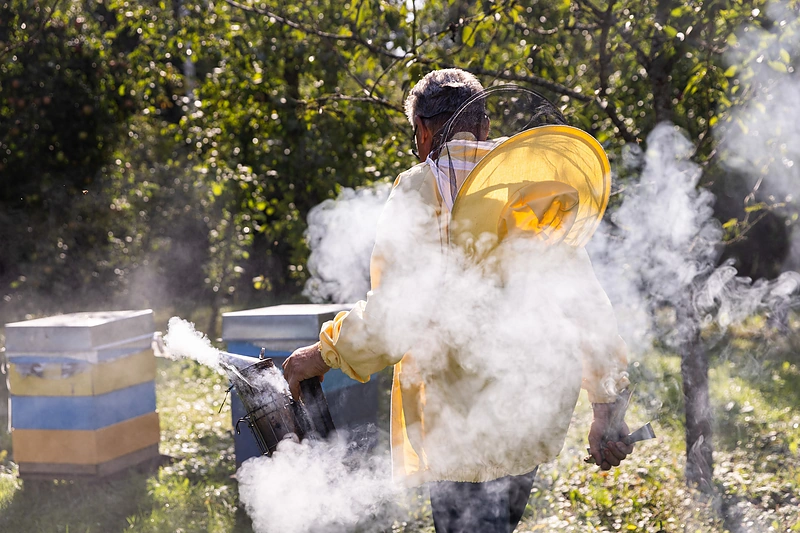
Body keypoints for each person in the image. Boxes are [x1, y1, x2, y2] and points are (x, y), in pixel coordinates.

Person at [283, 68, 633, 533]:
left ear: (423, 132)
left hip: (458, 431)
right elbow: (586, 304)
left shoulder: (418, 190)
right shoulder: (532, 187)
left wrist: (322, 355)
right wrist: (606, 406)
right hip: (530, 415)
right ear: (486, 128)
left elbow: (395, 317)